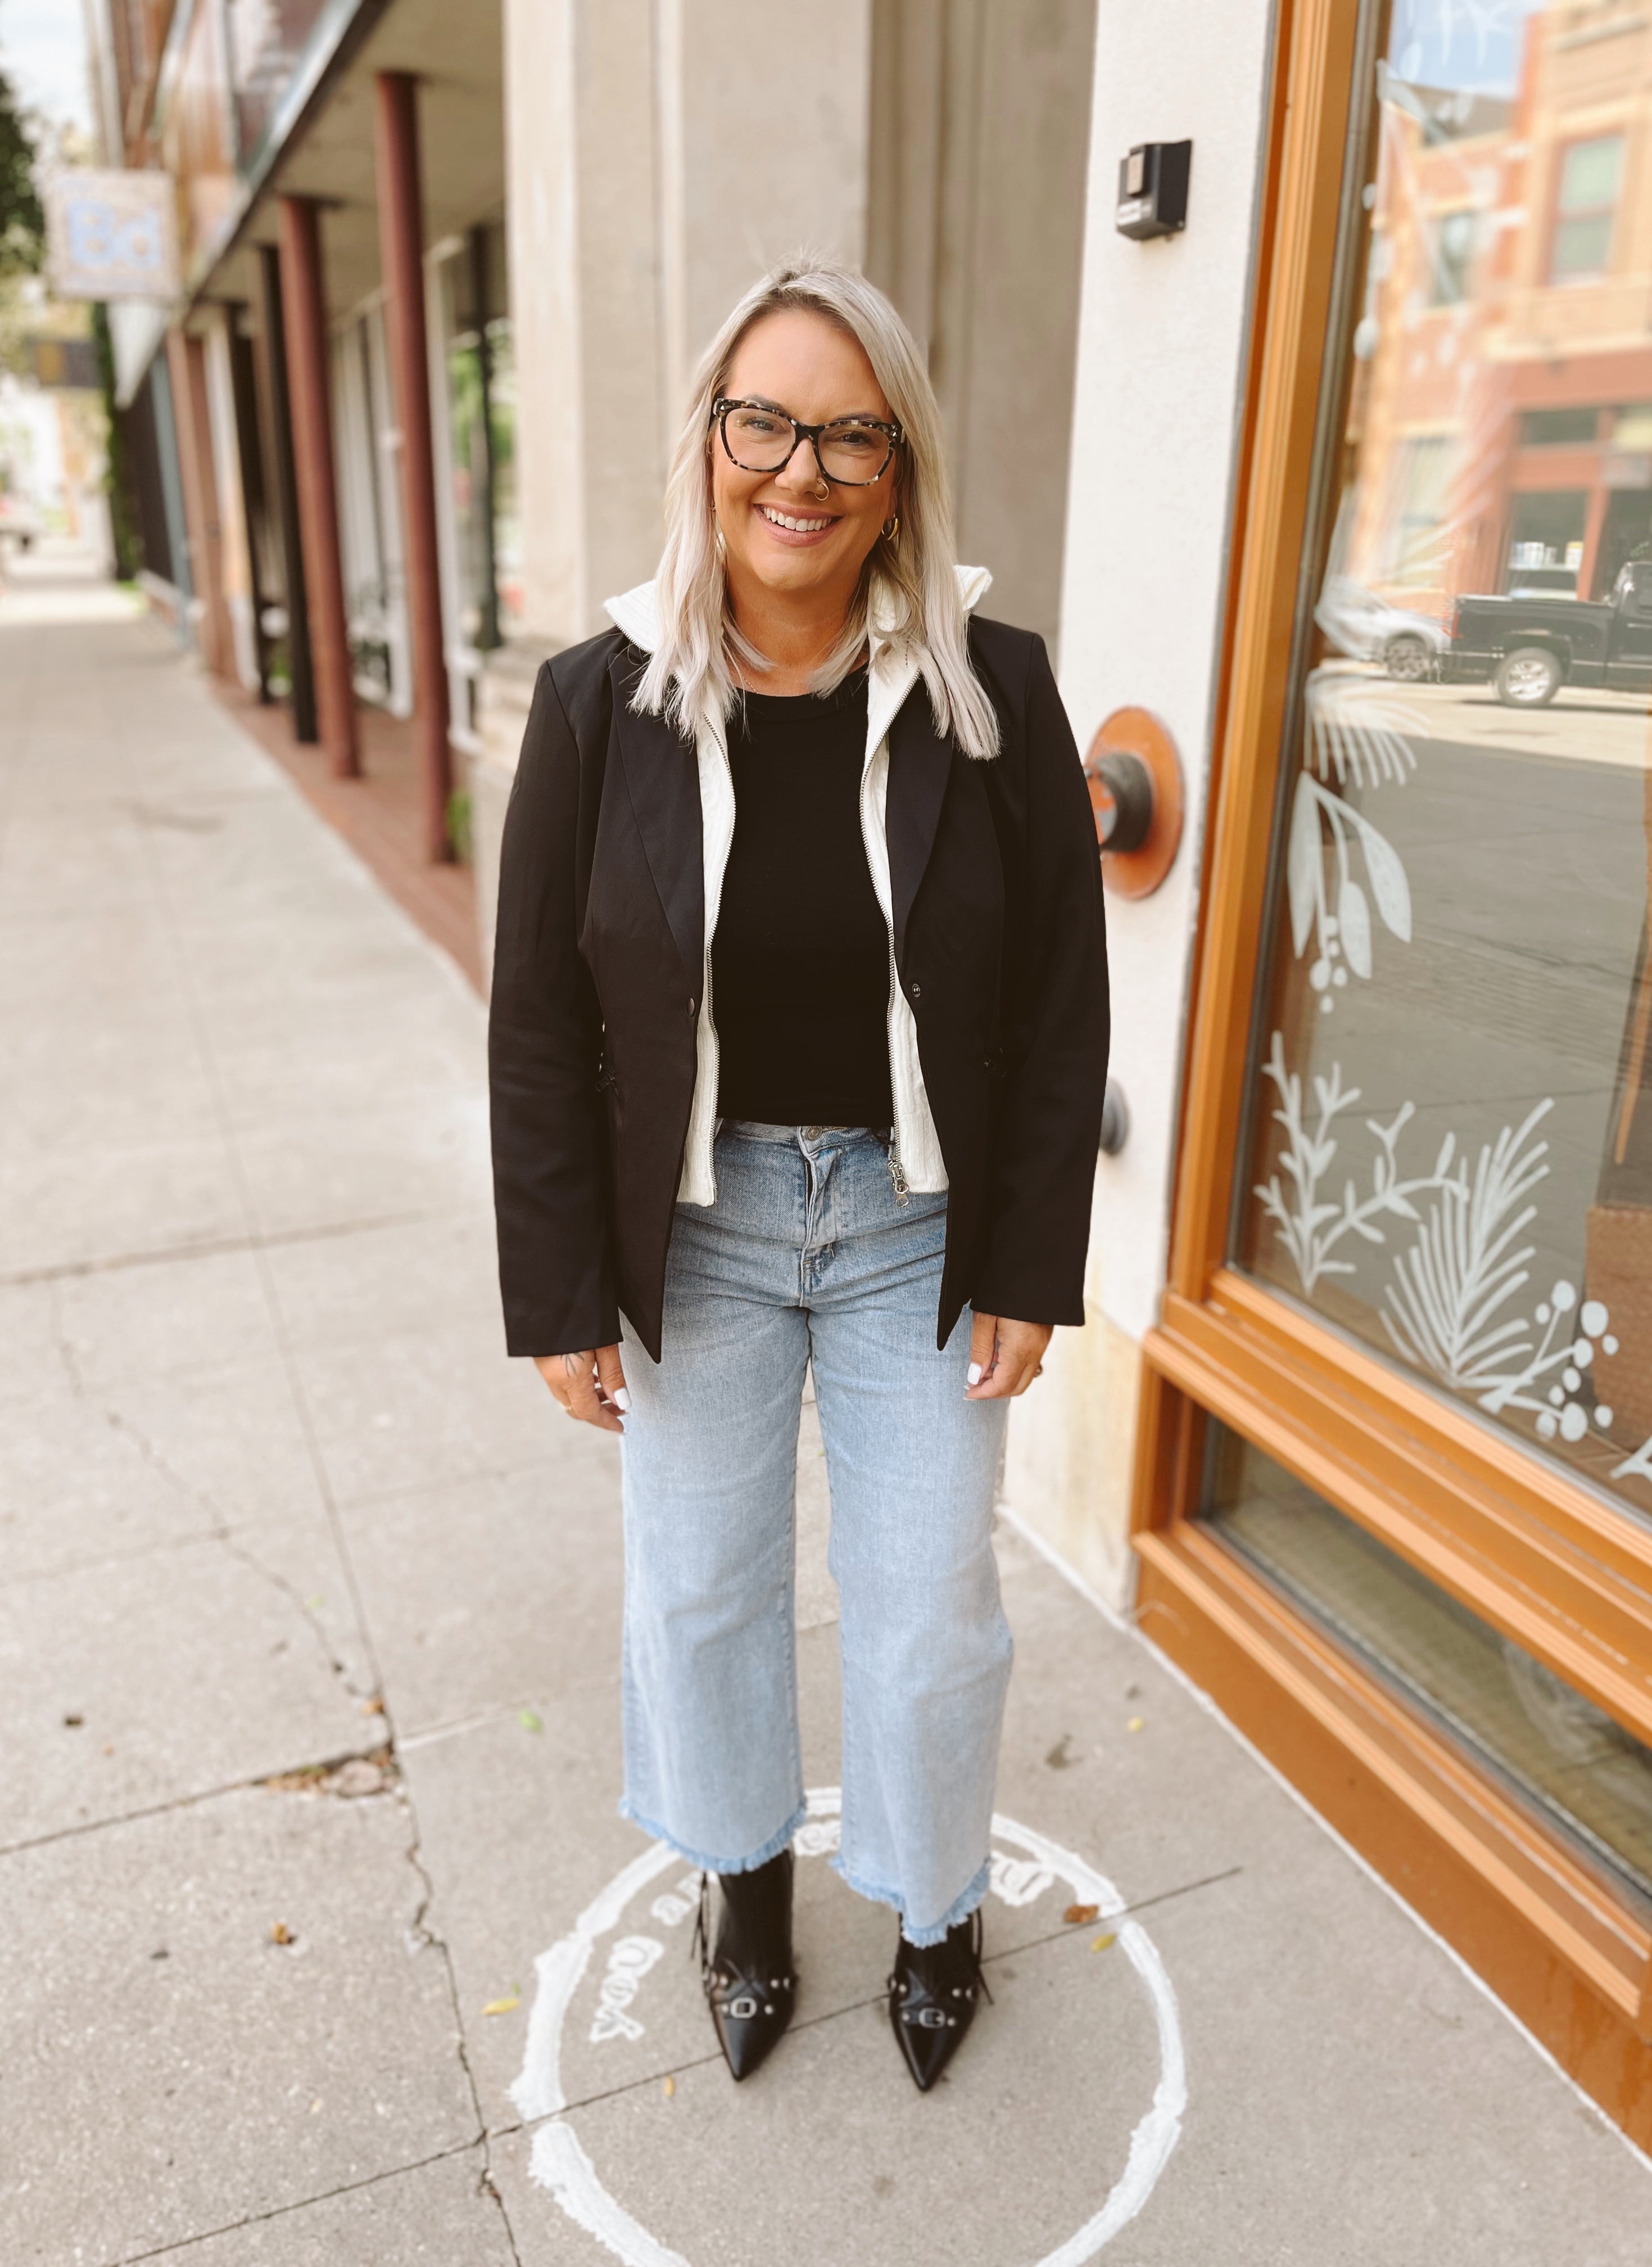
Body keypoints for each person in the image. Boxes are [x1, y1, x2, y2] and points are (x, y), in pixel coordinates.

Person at [488, 259, 1108, 2093]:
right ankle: (740, 1888)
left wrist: (1025, 1260)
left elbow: (1062, 1004)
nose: (802, 470)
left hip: (918, 1225)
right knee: (700, 1596)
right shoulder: (601, 702)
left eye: (852, 433)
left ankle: (932, 1905)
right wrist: (555, 1291)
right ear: (708, 442)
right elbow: (536, 1019)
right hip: (699, 1233)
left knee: (928, 1613)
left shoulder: (990, 689)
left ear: (899, 469)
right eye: (765, 421)